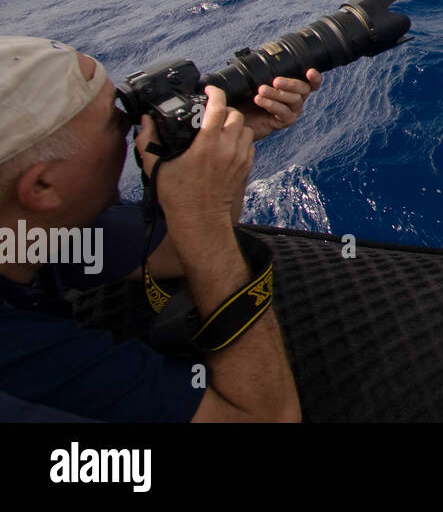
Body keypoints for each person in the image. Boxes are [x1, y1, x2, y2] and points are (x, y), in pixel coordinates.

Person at [0, 36, 322, 421]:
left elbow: (172, 253)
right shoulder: (16, 357)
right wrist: (202, 218)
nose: (135, 126)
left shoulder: (31, 229)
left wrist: (226, 140)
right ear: (42, 186)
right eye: (115, 120)